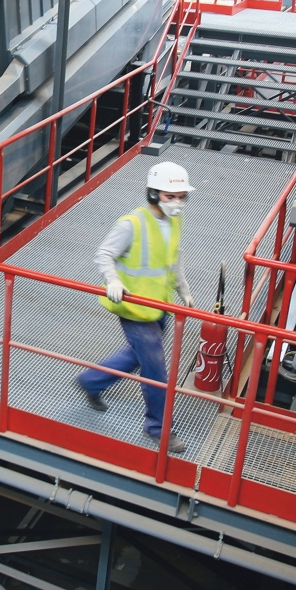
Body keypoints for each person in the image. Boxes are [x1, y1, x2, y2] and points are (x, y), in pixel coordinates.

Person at [77, 161, 194, 453]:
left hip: (159, 304)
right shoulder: (132, 224)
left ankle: (91, 380)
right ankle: (157, 427)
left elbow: (172, 258)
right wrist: (113, 280)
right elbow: (103, 254)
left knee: (137, 356)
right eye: (170, 196)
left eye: (181, 196)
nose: (177, 202)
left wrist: (183, 289)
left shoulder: (175, 221)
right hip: (134, 307)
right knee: (155, 368)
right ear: (153, 194)